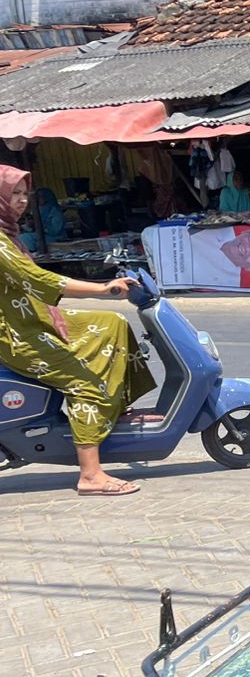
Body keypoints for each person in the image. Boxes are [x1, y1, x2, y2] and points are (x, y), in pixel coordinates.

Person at [0, 167, 155, 497]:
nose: (22, 200)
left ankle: (113, 409)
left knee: (113, 325)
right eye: (14, 194)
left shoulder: (8, 233)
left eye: (25, 193)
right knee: (85, 382)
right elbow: (41, 282)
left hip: (32, 318)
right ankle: (91, 474)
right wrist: (103, 289)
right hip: (16, 333)